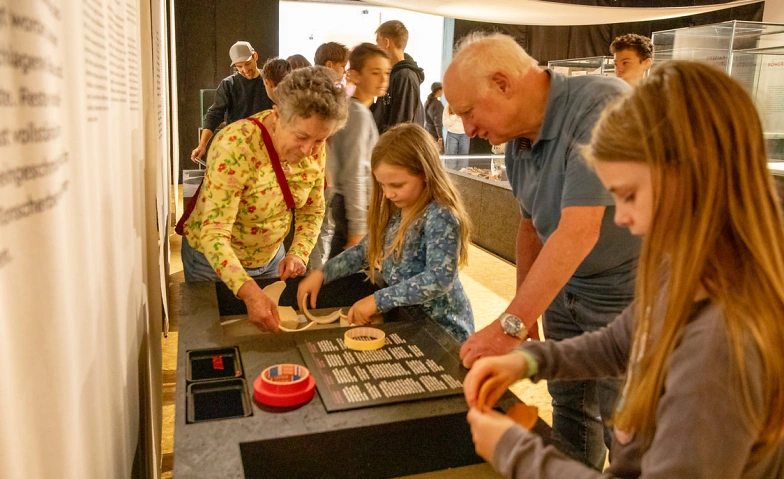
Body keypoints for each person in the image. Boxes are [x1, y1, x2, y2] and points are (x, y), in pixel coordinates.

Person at [464, 60, 784, 479]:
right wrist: (528, 359)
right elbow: (620, 344)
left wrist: (515, 452)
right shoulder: (686, 272)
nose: (622, 218)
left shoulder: (721, 345)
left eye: (630, 195)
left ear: (691, 175)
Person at [443, 32, 640, 469]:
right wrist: (525, 310)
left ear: (502, 82)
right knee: (569, 407)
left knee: (626, 425)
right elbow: (530, 227)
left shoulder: (600, 103)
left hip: (626, 296)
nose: (469, 129)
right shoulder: (518, 140)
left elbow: (579, 229)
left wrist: (508, 326)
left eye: (469, 113)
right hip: (567, 293)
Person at [181, 66, 349, 332]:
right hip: (213, 264)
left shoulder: (313, 145)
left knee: (265, 340)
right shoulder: (236, 145)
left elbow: (312, 209)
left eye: (320, 140)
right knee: (214, 340)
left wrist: (298, 253)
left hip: (271, 260)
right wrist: (247, 290)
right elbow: (213, 233)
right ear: (278, 114)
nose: (309, 150)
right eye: (302, 137)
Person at [297, 124, 474, 343]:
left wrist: (378, 300)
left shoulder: (440, 215)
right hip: (410, 325)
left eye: (397, 185)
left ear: (425, 174)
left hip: (444, 333)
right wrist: (323, 274)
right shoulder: (395, 212)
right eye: (382, 185)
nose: (389, 193)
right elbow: (364, 251)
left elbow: (439, 278)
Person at [327, 43, 391, 257]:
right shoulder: (358, 114)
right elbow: (354, 173)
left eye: (386, 73)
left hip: (348, 204)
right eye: (375, 73)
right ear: (354, 75)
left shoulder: (353, 108)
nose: (383, 80)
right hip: (352, 205)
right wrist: (358, 228)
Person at [191, 41, 273, 162]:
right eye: (239, 67)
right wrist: (202, 145)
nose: (245, 69)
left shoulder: (269, 81)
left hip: (266, 143)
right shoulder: (229, 84)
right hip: (238, 144)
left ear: (255, 56)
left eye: (247, 64)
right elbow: (214, 114)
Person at [372, 20, 425, 133]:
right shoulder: (395, 75)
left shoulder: (405, 76)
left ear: (386, 42)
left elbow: (401, 126)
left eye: (378, 42)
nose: (376, 48)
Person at [424, 82, 444, 151]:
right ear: (439, 90)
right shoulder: (437, 104)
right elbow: (437, 122)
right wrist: (440, 137)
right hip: (434, 136)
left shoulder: (427, 102)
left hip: (427, 132)